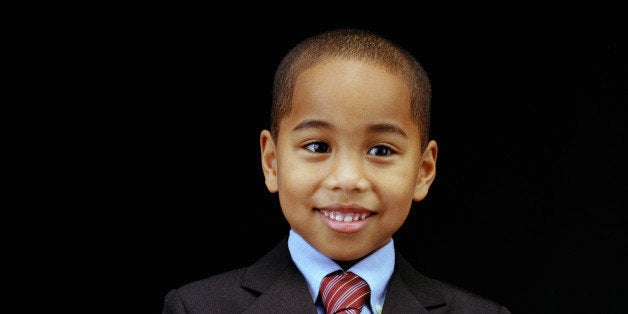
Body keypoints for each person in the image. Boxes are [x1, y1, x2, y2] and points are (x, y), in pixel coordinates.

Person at [162, 27, 511, 313]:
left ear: (423, 170)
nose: (348, 179)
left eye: (381, 150)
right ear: (272, 162)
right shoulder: (197, 308)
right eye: (318, 146)